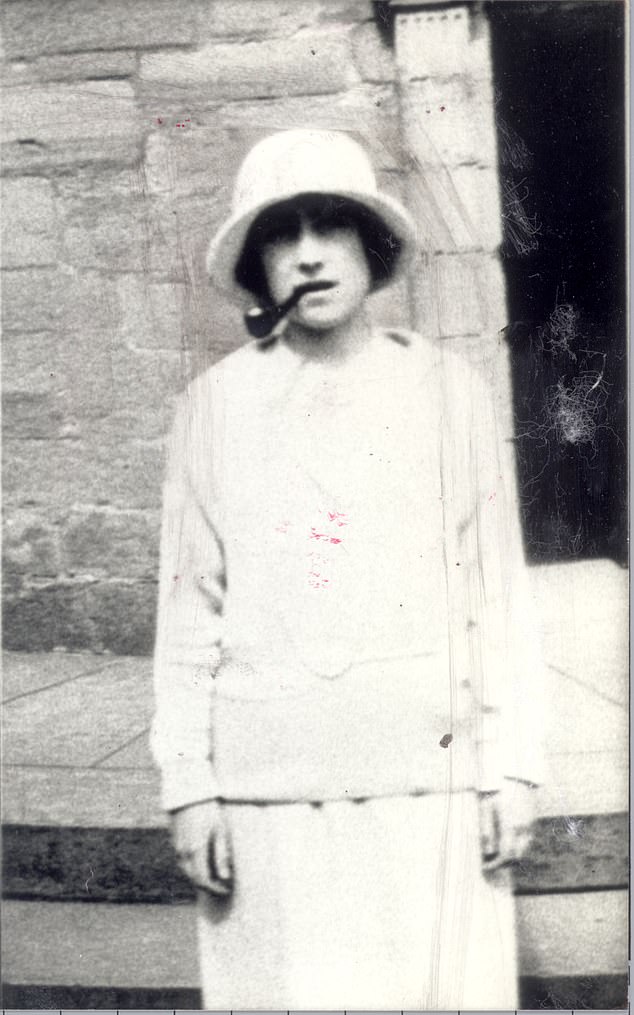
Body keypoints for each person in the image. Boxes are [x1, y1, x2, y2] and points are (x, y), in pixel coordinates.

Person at [151, 128, 545, 1009]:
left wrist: (511, 766)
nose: (308, 256)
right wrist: (189, 787)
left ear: (373, 247)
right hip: (269, 803)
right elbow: (189, 616)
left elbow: (496, 592)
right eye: (280, 236)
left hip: (427, 792)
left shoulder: (450, 394)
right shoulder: (212, 409)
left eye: (331, 227)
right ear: (258, 267)